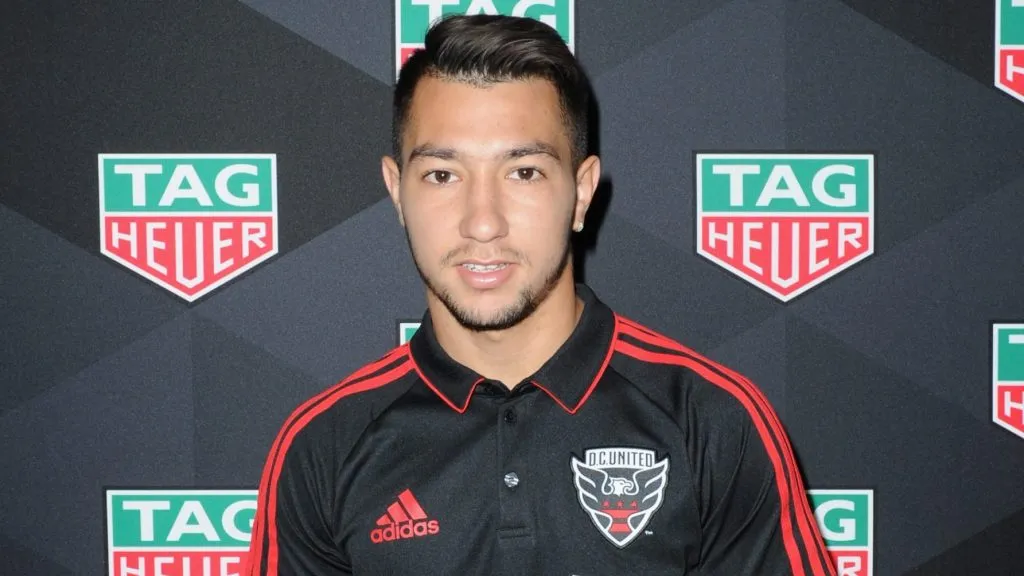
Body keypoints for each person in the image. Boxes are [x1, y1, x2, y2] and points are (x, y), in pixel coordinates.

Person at [243, 14, 834, 576]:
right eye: (442, 175)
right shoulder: (323, 446)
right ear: (397, 193)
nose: (482, 222)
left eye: (523, 172)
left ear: (580, 193)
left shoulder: (710, 421)